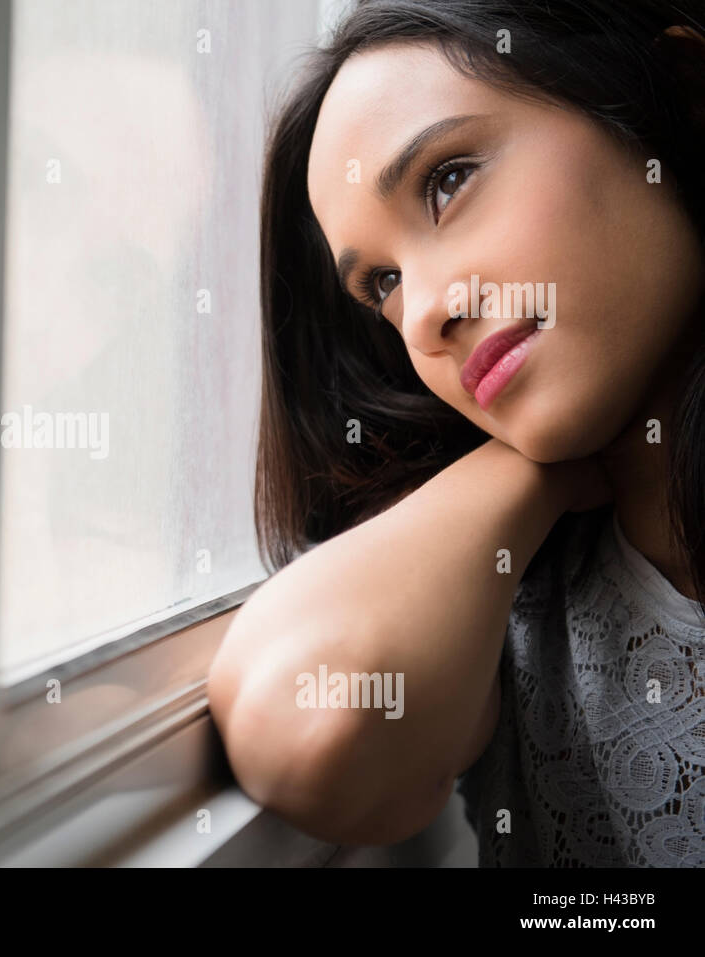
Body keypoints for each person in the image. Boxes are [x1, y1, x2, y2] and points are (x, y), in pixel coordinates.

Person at [207, 0, 705, 866]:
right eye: (384, 286)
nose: (428, 314)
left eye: (448, 180)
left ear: (679, 95)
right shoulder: (505, 603)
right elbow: (309, 726)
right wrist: (531, 473)